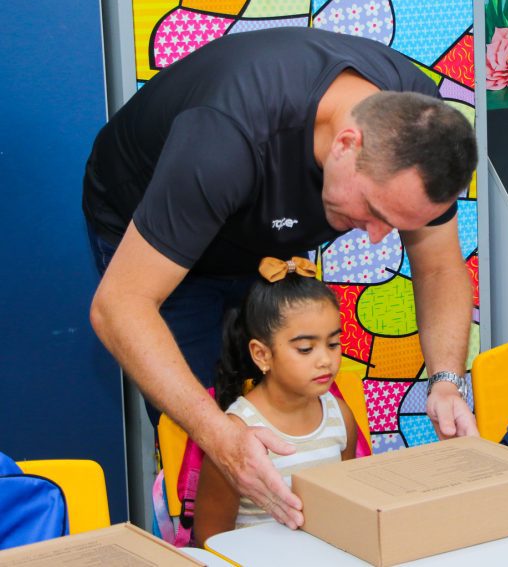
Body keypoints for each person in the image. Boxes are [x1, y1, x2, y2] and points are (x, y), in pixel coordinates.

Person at [83, 27, 478, 530]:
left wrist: (446, 381)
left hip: (255, 230)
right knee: (208, 428)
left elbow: (440, 265)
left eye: (399, 224)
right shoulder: (226, 138)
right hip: (153, 231)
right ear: (346, 145)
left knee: (278, 399)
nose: (379, 239)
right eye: (376, 211)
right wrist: (219, 436)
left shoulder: (419, 127)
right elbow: (119, 305)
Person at [194, 257, 357, 544]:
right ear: (262, 355)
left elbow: (344, 508)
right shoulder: (235, 434)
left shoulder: (339, 416)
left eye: (333, 344)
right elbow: (211, 539)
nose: (326, 360)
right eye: (306, 349)